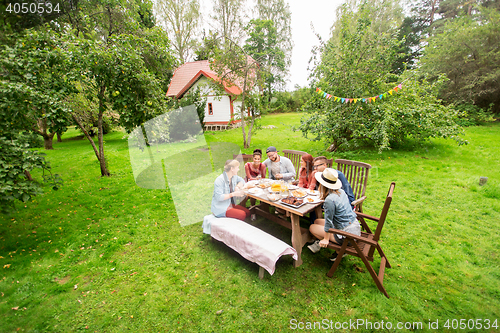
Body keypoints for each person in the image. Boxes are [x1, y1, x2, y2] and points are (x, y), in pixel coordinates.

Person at [307, 168, 361, 261]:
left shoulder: (329, 200)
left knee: (312, 227)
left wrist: (326, 239)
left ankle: (339, 250)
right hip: (354, 227)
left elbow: (328, 221)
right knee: (316, 221)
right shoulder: (341, 191)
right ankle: (322, 241)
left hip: (347, 237)